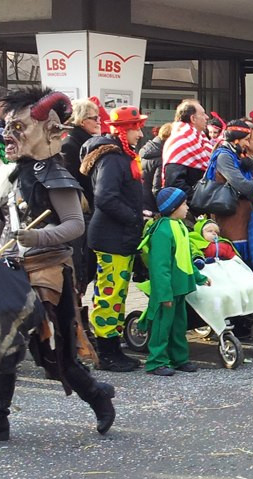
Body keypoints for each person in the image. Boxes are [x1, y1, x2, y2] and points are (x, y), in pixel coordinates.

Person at [0, 87, 115, 445]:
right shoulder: (11, 177)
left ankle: (97, 396)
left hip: (49, 273)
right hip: (13, 270)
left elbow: (75, 225)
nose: (8, 136)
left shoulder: (55, 176)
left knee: (57, 356)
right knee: (5, 343)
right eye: (7, 127)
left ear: (49, 132)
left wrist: (37, 238)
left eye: (19, 128)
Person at [80, 105, 148, 372]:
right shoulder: (112, 159)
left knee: (117, 294)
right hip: (111, 237)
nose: (140, 134)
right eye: (136, 128)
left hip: (119, 236)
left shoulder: (121, 156)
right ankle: (107, 353)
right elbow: (105, 197)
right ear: (123, 130)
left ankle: (113, 347)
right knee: (109, 294)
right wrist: (132, 217)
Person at [139, 187, 210, 376]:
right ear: (173, 208)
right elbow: (159, 266)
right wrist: (163, 294)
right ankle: (156, 361)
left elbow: (185, 258)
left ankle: (179, 358)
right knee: (162, 326)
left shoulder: (179, 227)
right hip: (167, 291)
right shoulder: (162, 231)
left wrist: (199, 277)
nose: (187, 207)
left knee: (179, 325)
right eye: (184, 204)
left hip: (179, 288)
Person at [60, 97, 105, 298]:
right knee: (81, 264)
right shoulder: (71, 144)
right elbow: (73, 179)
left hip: (89, 208)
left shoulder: (87, 142)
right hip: (81, 210)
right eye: (93, 117)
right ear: (80, 120)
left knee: (87, 264)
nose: (98, 121)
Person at [208, 119, 253, 266]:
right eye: (246, 140)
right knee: (236, 262)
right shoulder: (224, 156)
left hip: (240, 214)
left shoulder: (236, 155)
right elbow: (241, 184)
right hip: (231, 216)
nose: (247, 144)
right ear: (236, 140)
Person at [161, 98, 211, 201]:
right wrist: (199, 199)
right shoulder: (180, 141)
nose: (207, 117)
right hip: (186, 207)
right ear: (193, 118)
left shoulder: (200, 138)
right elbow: (174, 182)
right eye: (203, 114)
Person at [140, 122, 171, 213]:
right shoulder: (161, 157)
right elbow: (157, 188)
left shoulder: (145, 150)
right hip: (152, 205)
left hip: (141, 198)